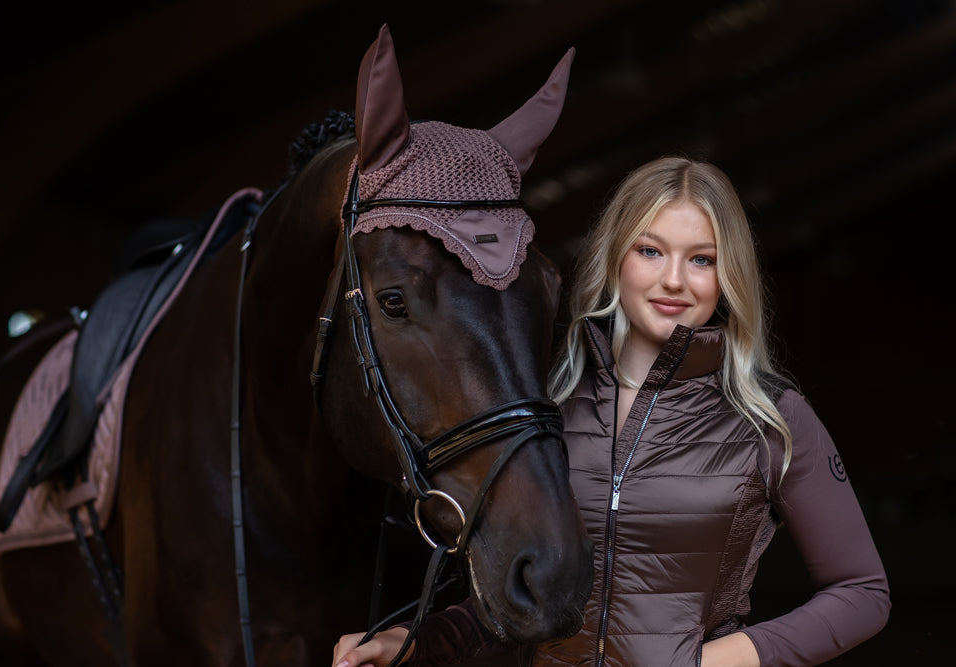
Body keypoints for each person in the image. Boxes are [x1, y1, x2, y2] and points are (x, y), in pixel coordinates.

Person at [332, 156, 890, 667]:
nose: (674, 279)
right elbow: (516, 603)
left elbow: (862, 592)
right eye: (650, 251)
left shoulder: (773, 420)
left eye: (701, 260)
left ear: (727, 278)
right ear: (616, 257)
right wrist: (410, 641)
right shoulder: (545, 403)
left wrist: (712, 663)